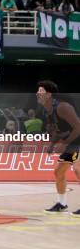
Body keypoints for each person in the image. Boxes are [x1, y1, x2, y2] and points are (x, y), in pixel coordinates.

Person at [38, 81, 80, 216]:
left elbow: (78, 127)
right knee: (59, 172)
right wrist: (52, 144)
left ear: (49, 94)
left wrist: (65, 143)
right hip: (72, 143)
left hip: (76, 140)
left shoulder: (63, 107)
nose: (37, 93)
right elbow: (57, 131)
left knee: (78, 169)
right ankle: (62, 204)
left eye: (41, 91)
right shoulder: (48, 110)